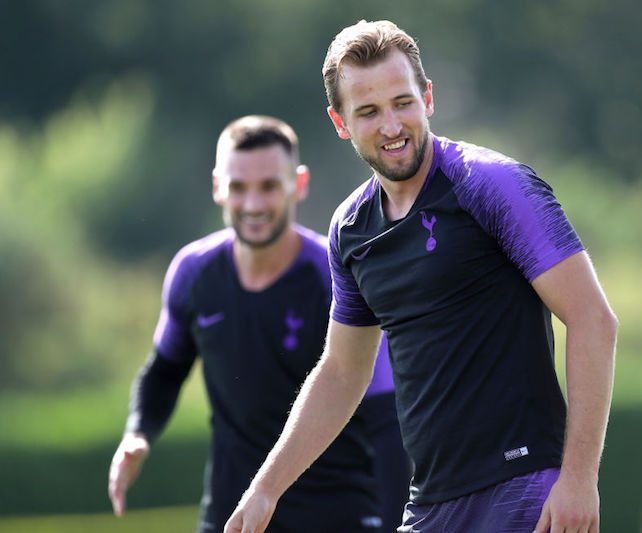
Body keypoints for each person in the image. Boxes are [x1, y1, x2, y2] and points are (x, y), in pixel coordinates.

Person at [226, 19, 617, 533]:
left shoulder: (492, 185)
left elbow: (592, 319)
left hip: (526, 491)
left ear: (427, 97)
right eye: (368, 111)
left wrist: (579, 479)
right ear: (340, 122)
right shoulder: (350, 229)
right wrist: (265, 489)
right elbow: (343, 372)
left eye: (402, 103)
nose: (391, 125)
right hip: (431, 507)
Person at [108, 114, 410, 533]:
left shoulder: (335, 276)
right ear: (218, 187)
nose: (252, 204)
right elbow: (165, 369)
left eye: (268, 186)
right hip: (232, 517)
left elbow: (384, 418)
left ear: (298, 185)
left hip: (339, 517)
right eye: (238, 187)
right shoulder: (193, 273)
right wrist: (138, 433)